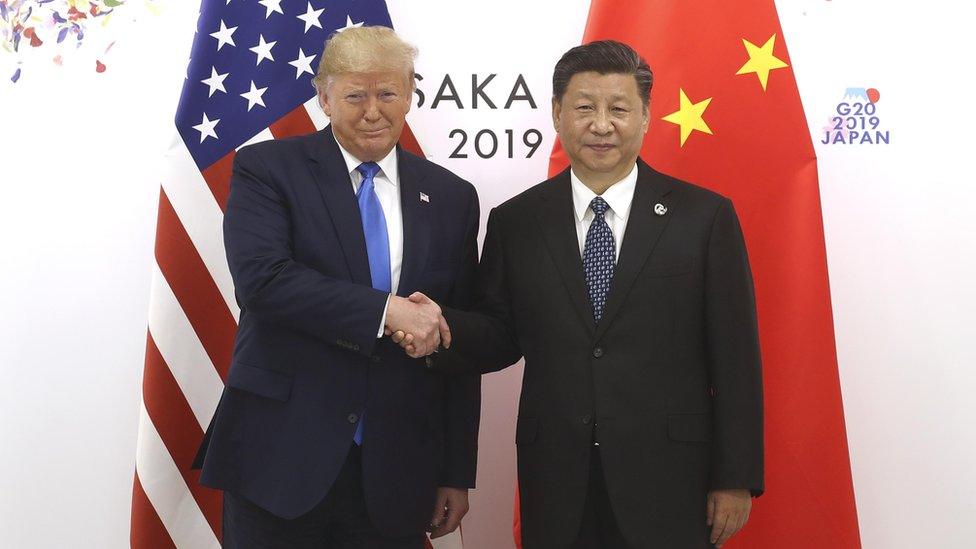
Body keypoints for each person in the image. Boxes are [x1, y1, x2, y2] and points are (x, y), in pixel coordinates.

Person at [395, 40, 764, 548]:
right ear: (556, 113)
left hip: (671, 476)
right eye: (585, 107)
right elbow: (502, 334)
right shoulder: (517, 221)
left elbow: (736, 358)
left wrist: (735, 475)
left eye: (618, 108)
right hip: (558, 476)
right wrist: (443, 329)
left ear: (646, 115)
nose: (601, 124)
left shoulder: (704, 217)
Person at [193, 26, 481, 548]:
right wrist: (388, 312)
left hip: (397, 473)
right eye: (355, 95)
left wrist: (456, 470)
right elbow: (263, 281)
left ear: (410, 94)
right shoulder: (267, 168)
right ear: (324, 98)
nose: (373, 110)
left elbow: (452, 340)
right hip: (279, 461)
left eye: (388, 93)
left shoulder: (452, 196)